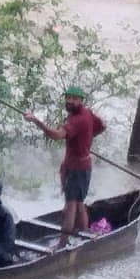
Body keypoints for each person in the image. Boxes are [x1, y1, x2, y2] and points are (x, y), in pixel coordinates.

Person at [24, 86, 105, 250]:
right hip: (82, 165)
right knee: (79, 203)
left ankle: (62, 244)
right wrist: (85, 140)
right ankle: (85, 234)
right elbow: (102, 126)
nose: (69, 101)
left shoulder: (78, 119)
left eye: (74, 99)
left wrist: (36, 121)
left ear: (81, 100)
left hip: (77, 169)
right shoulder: (86, 113)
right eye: (68, 97)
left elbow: (56, 135)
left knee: (70, 206)